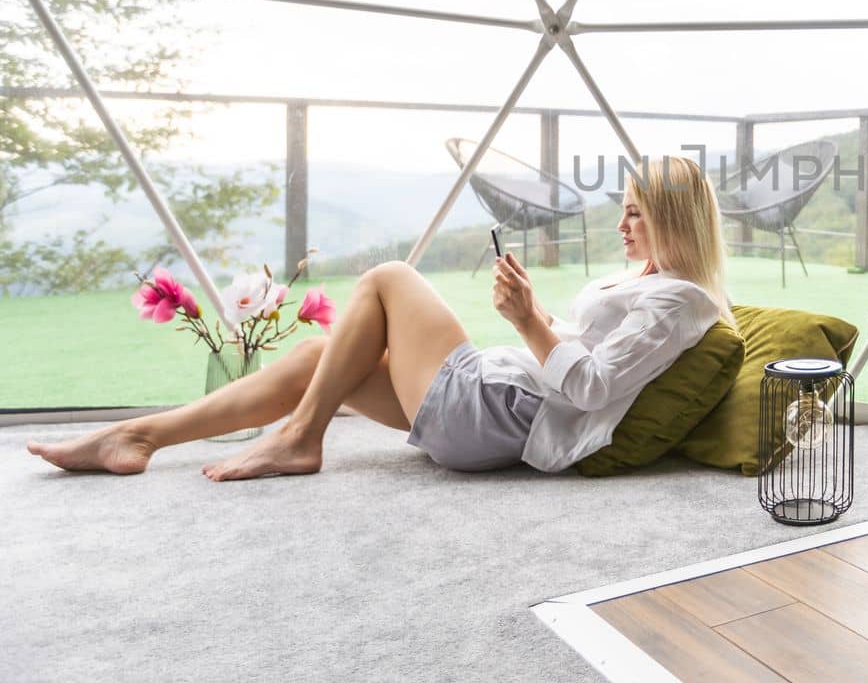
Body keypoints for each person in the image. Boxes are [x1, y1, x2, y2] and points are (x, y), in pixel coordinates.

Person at [26, 155, 735, 480]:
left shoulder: (681, 301)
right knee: (318, 361)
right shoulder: (652, 281)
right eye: (624, 209)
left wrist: (527, 323)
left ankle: (300, 438)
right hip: (493, 402)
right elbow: (585, 349)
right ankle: (138, 436)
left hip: (498, 411)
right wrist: (534, 310)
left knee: (390, 276)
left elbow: (589, 387)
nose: (623, 224)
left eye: (637, 212)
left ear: (675, 217)